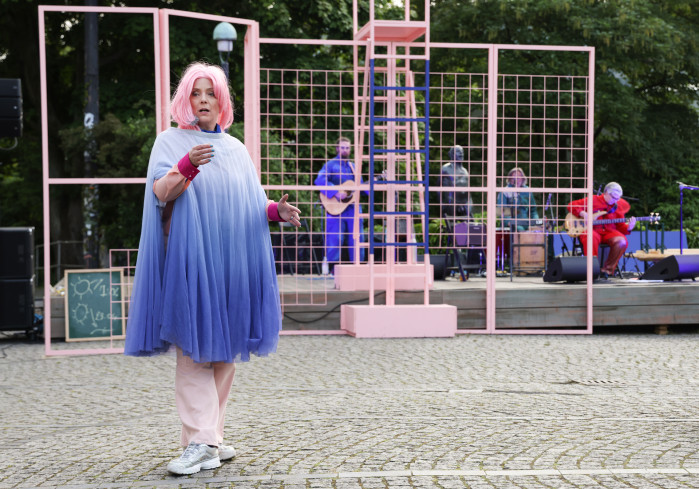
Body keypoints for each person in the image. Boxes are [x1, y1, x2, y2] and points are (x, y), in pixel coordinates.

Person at [124, 62, 301, 475]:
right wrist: (185, 166)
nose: (203, 99)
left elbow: (252, 201)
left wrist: (276, 210)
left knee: (224, 353)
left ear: (222, 101)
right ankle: (201, 441)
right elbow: (159, 192)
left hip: (233, 261)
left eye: (210, 93)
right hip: (191, 261)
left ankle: (210, 439)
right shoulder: (169, 141)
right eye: (195, 92)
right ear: (184, 99)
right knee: (193, 350)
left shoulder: (237, 149)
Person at [314, 137, 365, 271]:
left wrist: (374, 184)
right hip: (335, 207)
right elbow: (319, 180)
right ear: (337, 148)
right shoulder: (330, 165)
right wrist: (336, 192)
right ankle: (332, 270)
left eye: (347, 147)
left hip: (352, 207)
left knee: (357, 237)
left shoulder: (353, 167)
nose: (345, 150)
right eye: (342, 147)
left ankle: (358, 267)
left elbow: (362, 188)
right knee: (335, 239)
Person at [567, 181, 636, 278]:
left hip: (609, 232)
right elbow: (571, 205)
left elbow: (620, 226)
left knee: (621, 242)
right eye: (614, 197)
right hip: (592, 230)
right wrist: (583, 213)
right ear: (606, 192)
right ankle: (592, 270)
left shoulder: (617, 206)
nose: (616, 200)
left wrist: (629, 227)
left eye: (618, 198)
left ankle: (607, 270)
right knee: (591, 236)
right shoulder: (593, 200)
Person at [496, 167, 540, 231]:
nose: (516, 179)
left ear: (523, 179)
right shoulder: (504, 191)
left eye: (518, 177)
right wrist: (510, 222)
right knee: (520, 229)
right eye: (513, 177)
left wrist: (537, 222)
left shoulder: (528, 191)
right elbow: (501, 211)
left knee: (538, 230)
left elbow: (533, 211)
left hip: (527, 224)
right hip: (511, 226)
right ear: (509, 179)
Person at [440, 145, 473, 218]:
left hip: (465, 203)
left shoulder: (465, 171)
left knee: (471, 226)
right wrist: (442, 204)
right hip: (451, 203)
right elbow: (440, 189)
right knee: (453, 226)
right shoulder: (445, 169)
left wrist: (468, 204)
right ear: (451, 154)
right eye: (458, 152)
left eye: (462, 152)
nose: (461, 154)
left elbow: (468, 190)